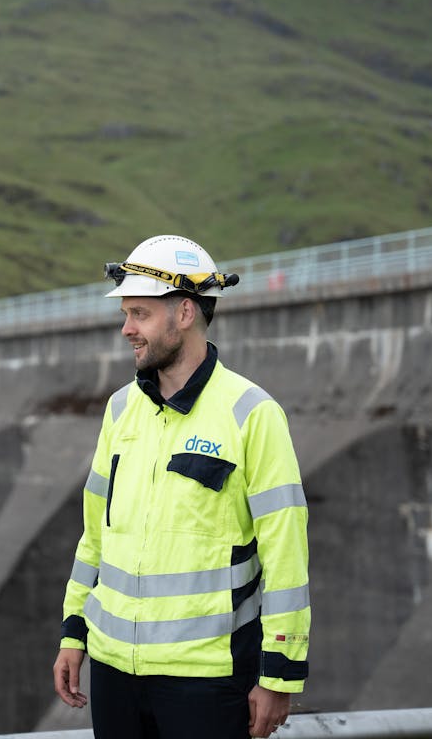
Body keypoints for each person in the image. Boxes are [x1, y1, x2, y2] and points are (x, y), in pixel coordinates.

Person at [52, 235, 310, 739]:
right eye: (126, 314)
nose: (127, 329)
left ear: (185, 313)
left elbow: (286, 553)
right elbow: (95, 536)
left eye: (140, 314)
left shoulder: (252, 414)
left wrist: (279, 674)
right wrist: (74, 631)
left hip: (206, 679)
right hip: (113, 672)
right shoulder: (119, 410)